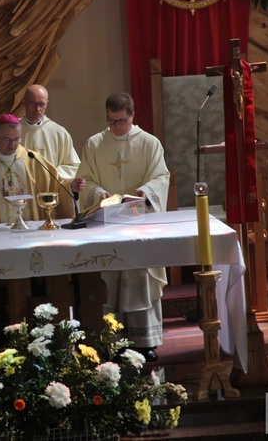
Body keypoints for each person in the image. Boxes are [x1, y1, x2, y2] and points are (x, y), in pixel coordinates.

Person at [75, 92, 170, 361]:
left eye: (121, 120)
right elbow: (86, 179)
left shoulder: (149, 143)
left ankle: (145, 341)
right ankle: (111, 340)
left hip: (139, 223)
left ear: (132, 116)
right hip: (107, 224)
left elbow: (162, 176)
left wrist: (146, 191)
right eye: (111, 121)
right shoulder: (95, 143)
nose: (116, 126)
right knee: (109, 280)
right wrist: (99, 194)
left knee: (139, 279)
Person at [18, 84, 81, 181]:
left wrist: (50, 173)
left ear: (47, 104)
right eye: (33, 104)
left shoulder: (59, 132)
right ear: (24, 102)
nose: (37, 109)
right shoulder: (13, 131)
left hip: (51, 190)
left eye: (41, 104)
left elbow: (74, 167)